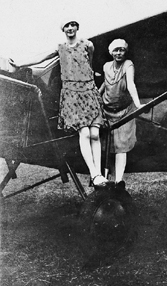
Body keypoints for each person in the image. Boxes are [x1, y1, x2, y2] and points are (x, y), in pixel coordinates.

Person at [9, 18, 108, 188]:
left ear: (77, 27)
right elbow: (41, 58)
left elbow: (89, 64)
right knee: (84, 133)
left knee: (95, 134)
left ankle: (98, 174)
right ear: (63, 29)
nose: (70, 28)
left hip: (88, 91)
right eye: (66, 26)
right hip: (72, 94)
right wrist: (19, 64)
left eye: (72, 25)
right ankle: (94, 173)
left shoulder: (88, 44)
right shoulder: (60, 47)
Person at [99, 39, 143, 189]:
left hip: (124, 112)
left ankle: (118, 181)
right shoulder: (106, 66)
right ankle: (105, 179)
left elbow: (131, 84)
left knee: (121, 146)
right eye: (116, 50)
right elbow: (106, 83)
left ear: (126, 52)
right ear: (111, 52)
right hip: (107, 112)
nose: (119, 53)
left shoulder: (128, 64)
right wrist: (96, 97)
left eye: (122, 50)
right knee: (108, 147)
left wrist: (138, 105)